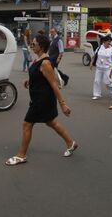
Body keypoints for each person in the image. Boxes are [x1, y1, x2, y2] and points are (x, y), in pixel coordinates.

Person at [5, 34, 77, 166]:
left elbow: (54, 84)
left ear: (41, 46)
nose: (32, 46)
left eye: (34, 44)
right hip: (39, 97)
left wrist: (63, 104)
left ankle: (21, 155)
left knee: (27, 124)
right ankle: (71, 143)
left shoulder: (45, 62)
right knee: (51, 122)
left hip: (42, 100)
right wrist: (30, 80)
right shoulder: (39, 60)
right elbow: (39, 76)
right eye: (31, 44)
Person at [90, 35, 112, 100]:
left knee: (107, 82)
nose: (109, 43)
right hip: (99, 67)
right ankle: (97, 94)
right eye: (108, 41)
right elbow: (94, 55)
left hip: (108, 68)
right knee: (96, 81)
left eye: (110, 41)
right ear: (104, 41)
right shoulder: (99, 48)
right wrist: (91, 63)